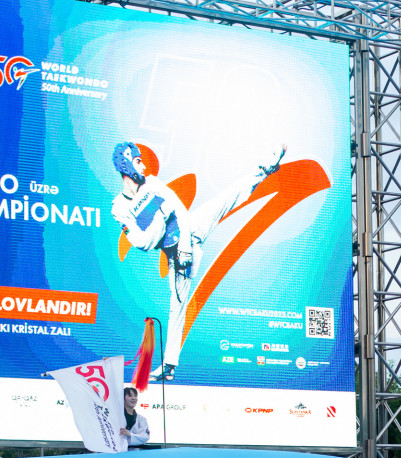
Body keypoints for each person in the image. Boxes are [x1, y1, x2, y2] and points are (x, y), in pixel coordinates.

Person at [111, 141, 286, 381]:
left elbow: (180, 211)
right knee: (177, 307)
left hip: (188, 231)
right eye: (138, 161)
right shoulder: (119, 207)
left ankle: (265, 169)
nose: (143, 166)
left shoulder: (152, 182)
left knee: (226, 198)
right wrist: (162, 215)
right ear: (126, 164)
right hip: (173, 255)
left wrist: (184, 246)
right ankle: (169, 366)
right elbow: (143, 243)